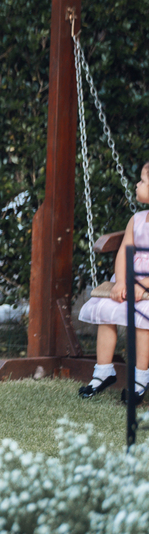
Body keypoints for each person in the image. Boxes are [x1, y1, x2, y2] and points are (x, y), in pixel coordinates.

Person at [78, 162, 149, 405]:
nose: (137, 184)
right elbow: (123, 252)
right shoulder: (137, 220)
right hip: (130, 281)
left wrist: (143, 286)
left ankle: (140, 378)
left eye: (142, 181)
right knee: (107, 310)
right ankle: (103, 372)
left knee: (143, 318)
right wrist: (120, 281)